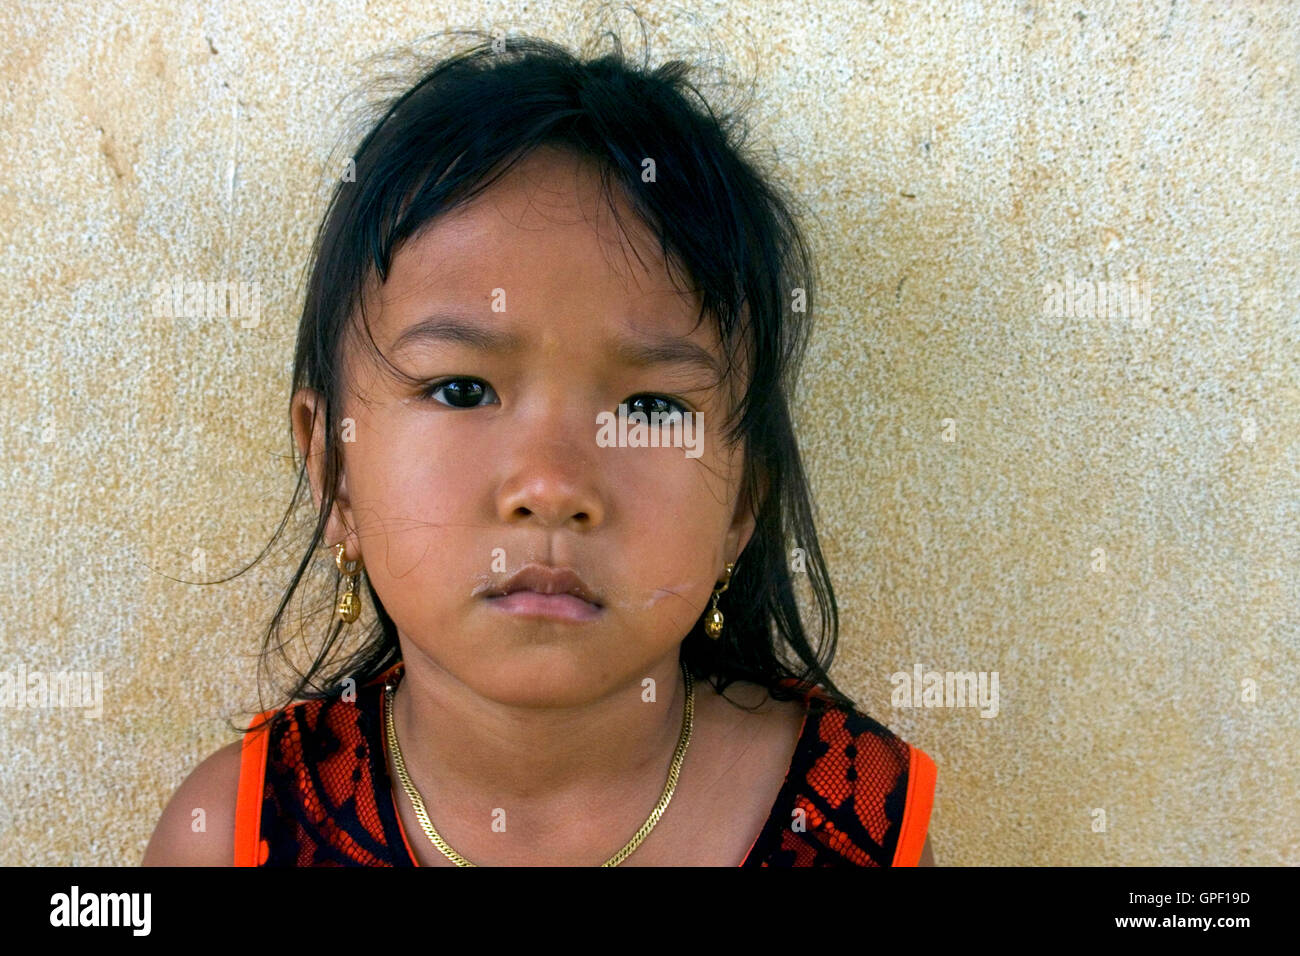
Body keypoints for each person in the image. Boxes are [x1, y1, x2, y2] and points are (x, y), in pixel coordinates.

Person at [143, 28, 936, 867]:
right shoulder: (234, 835)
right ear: (334, 469)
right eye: (461, 390)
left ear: (743, 501)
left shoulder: (853, 824)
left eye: (651, 407)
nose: (553, 485)